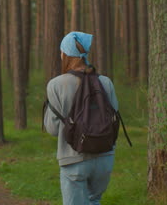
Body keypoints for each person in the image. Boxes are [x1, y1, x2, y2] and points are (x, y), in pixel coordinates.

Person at [44, 32, 119, 205]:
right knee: (94, 201)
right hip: (104, 155)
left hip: (73, 158)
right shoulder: (105, 82)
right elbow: (114, 119)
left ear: (65, 54)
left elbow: (53, 129)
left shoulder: (56, 84)